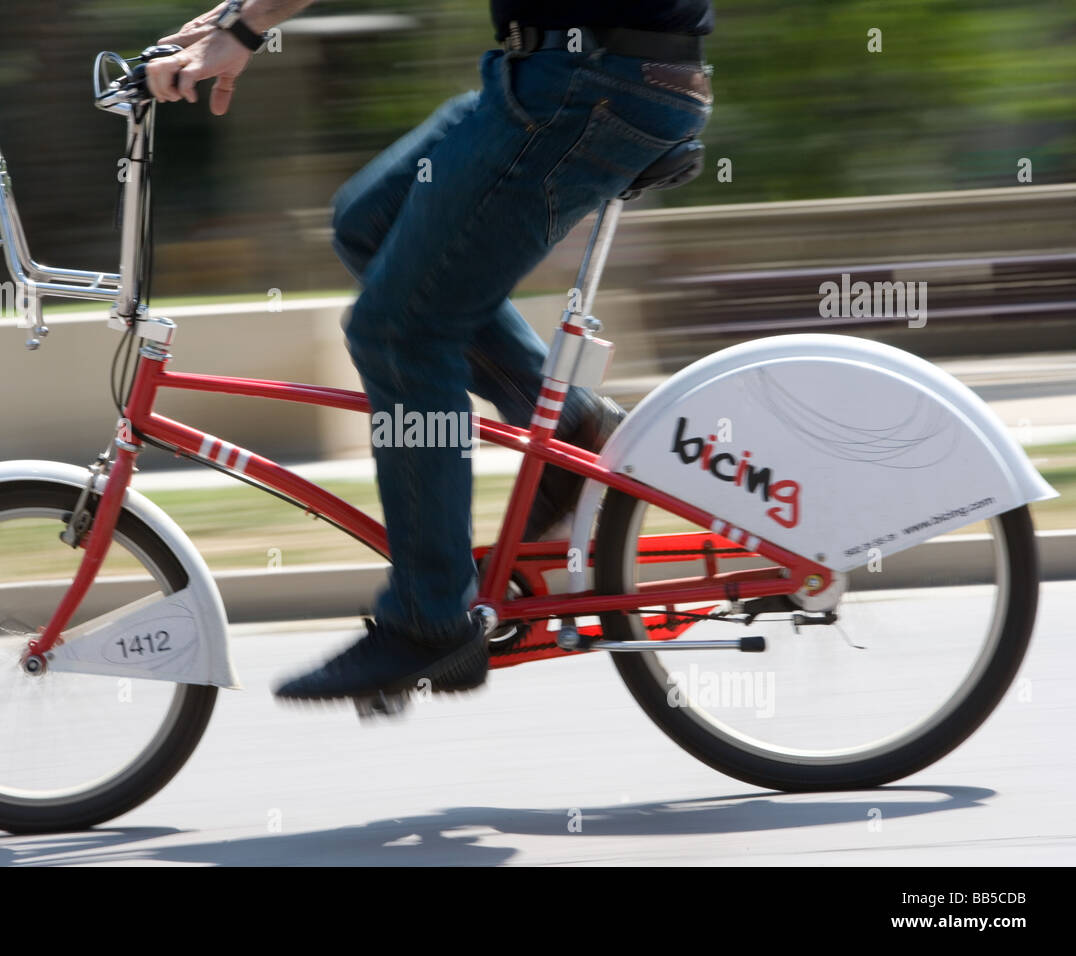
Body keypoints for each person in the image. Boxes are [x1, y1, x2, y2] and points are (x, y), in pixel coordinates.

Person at [146, 0, 714, 702]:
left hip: (590, 84)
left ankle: (431, 620)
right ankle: (571, 427)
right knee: (369, 224)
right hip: (558, 73)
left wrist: (246, 27)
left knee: (400, 331)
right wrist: (240, 14)